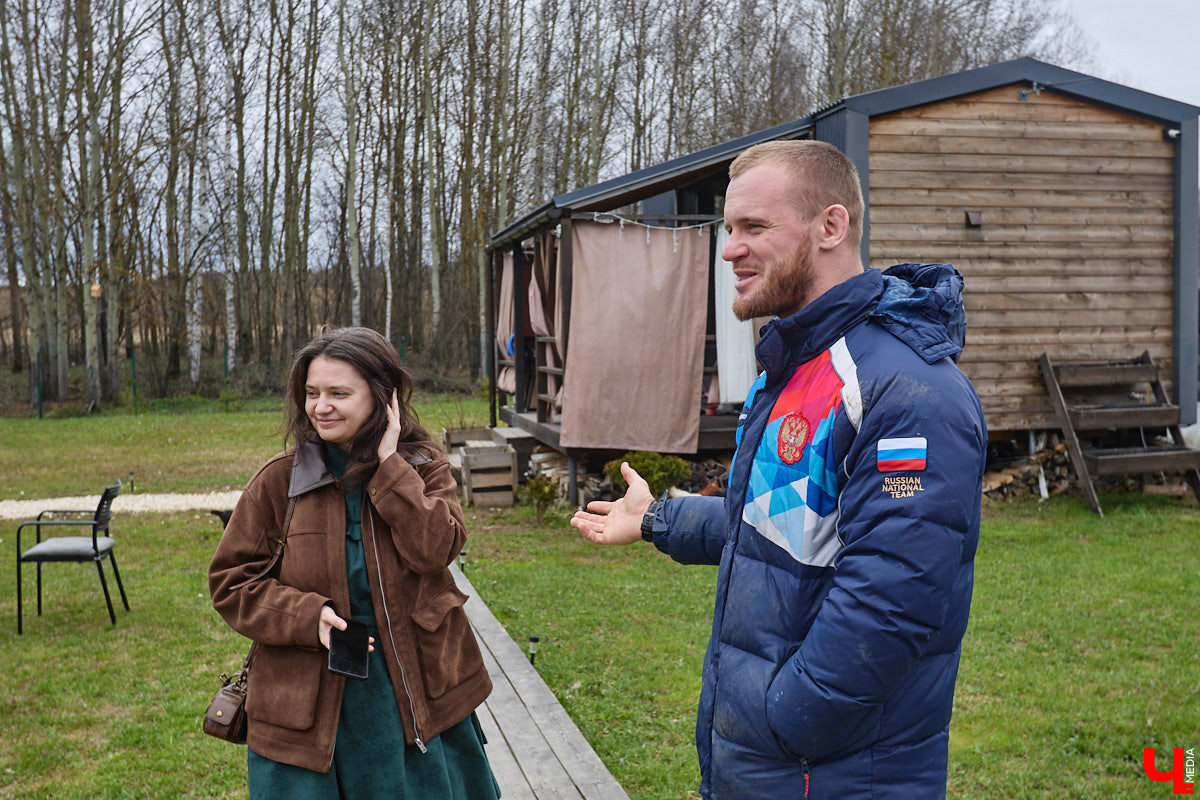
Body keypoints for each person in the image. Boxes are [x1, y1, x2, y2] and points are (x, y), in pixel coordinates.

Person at [571, 140, 986, 799]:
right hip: (773, 767)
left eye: (754, 228)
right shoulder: (796, 365)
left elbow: (894, 596)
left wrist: (788, 716)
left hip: (829, 773)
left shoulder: (907, 392)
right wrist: (656, 517)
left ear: (831, 226)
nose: (730, 249)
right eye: (729, 229)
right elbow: (780, 520)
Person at [210, 327, 499, 800]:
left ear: (382, 399)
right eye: (311, 393)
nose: (320, 406)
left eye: (338, 393)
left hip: (414, 691)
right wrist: (306, 616)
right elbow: (232, 582)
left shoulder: (425, 468)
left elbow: (435, 549)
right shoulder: (277, 481)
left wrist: (391, 468)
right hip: (310, 704)